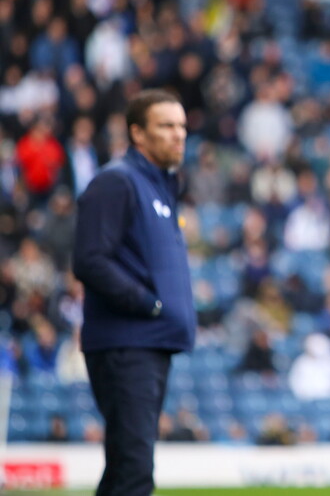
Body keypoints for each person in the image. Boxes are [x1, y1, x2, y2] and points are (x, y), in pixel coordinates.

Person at [73, 89, 195, 496]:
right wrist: (150, 303)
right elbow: (90, 261)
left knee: (125, 470)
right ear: (137, 134)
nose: (178, 135)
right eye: (166, 126)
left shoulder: (161, 187)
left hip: (149, 343)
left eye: (182, 126)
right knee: (134, 471)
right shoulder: (116, 181)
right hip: (127, 344)